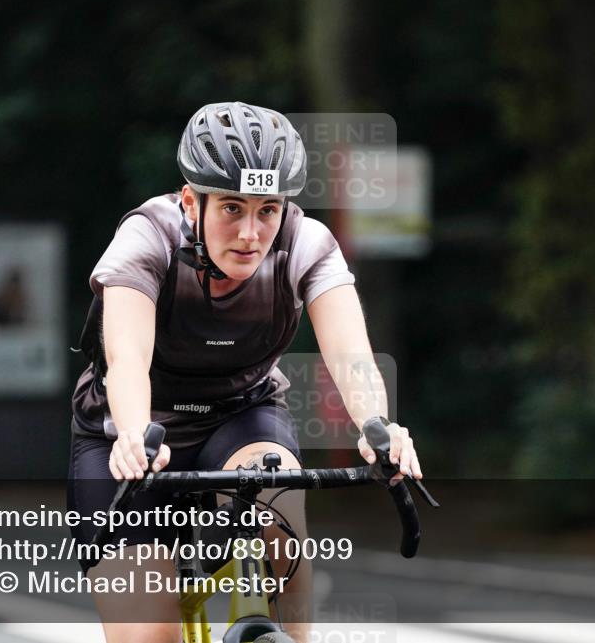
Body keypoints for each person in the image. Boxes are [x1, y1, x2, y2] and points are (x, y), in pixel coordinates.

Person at [67, 101, 424, 643]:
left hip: (239, 417)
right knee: (147, 635)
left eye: (267, 209)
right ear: (191, 201)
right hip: (128, 432)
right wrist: (135, 433)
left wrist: (378, 426)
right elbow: (127, 358)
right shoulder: (147, 238)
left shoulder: (305, 244)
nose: (251, 233)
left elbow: (352, 355)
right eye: (231, 208)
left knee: (278, 497)